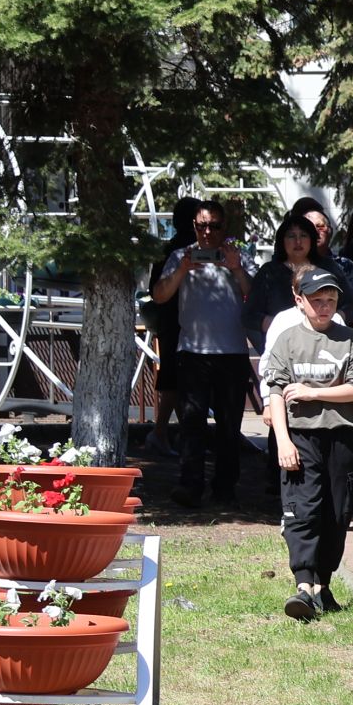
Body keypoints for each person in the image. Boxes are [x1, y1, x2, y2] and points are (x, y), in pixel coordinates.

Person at [263, 268, 353, 619]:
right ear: (300, 301)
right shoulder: (288, 340)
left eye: (330, 300)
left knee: (337, 511)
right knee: (303, 507)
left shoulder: (348, 340)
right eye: (316, 301)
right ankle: (303, 584)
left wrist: (313, 391)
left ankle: (323, 585)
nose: (324, 307)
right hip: (300, 434)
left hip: (340, 434)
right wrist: (282, 440)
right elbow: (276, 393)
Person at [152, 202, 254, 507]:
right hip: (193, 352)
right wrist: (183, 268)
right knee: (192, 423)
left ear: (225, 227)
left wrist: (235, 267)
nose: (207, 233)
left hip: (232, 352)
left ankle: (225, 487)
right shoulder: (180, 256)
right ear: (193, 226)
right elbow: (160, 295)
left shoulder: (239, 256)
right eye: (201, 226)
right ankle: (190, 485)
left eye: (214, 226)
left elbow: (254, 294)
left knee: (228, 425)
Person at [144, 196, 203, 456]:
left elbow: (152, 286)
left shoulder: (167, 249)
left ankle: (178, 435)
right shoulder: (187, 250)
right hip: (182, 321)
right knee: (175, 381)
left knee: (174, 380)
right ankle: (163, 433)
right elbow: (157, 288)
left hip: (171, 322)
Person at [247, 211, 341, 339]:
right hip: (282, 344)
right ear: (282, 241)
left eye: (303, 235)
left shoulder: (328, 267)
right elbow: (249, 315)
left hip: (324, 341)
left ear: (312, 239)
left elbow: (352, 305)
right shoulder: (269, 272)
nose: (298, 241)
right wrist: (276, 325)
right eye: (291, 236)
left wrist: (334, 321)